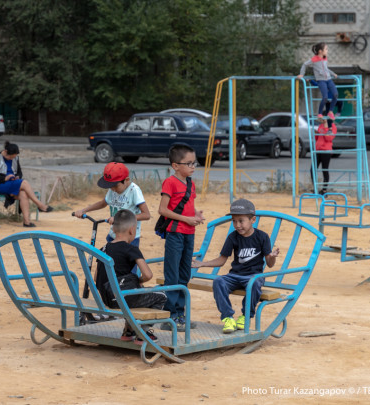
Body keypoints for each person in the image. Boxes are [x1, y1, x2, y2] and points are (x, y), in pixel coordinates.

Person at [191, 198, 280, 334]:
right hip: (235, 276)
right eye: (234, 221)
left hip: (253, 276)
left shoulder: (262, 237)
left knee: (255, 283)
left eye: (241, 221)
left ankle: (245, 316)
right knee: (219, 281)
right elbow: (222, 260)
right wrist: (203, 264)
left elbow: (270, 264)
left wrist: (272, 257)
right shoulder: (233, 237)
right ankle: (228, 318)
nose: (237, 225)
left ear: (253, 219)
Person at [96, 209, 166, 344]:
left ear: (114, 229)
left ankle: (128, 331)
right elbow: (148, 275)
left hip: (107, 299)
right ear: (132, 230)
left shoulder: (104, 249)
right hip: (122, 299)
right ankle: (142, 332)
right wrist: (138, 281)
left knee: (131, 293)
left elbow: (96, 278)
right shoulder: (131, 249)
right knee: (162, 295)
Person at [158, 144, 205, 329]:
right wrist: (186, 218)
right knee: (172, 274)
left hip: (189, 234)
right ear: (175, 166)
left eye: (194, 163)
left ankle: (180, 314)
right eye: (189, 163)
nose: (193, 167)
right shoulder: (170, 182)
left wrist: (196, 214)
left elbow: (188, 204)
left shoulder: (190, 183)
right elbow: (163, 210)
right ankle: (170, 317)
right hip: (175, 233)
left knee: (184, 273)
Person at [73, 162, 150, 248]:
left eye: (115, 186)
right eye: (110, 186)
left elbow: (146, 215)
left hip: (128, 238)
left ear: (126, 180)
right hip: (113, 235)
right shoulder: (113, 189)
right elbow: (102, 203)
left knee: (125, 257)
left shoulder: (134, 191)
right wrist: (84, 210)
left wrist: (120, 219)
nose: (113, 189)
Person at [0, 141, 52, 227]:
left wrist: (17, 177)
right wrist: (4, 178)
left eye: (13, 157)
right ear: (5, 152)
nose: (11, 159)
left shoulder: (15, 158)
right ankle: (40, 205)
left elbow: (19, 172)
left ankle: (26, 222)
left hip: (12, 183)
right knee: (24, 182)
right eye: (10, 157)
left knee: (23, 194)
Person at [298, 42, 339, 119]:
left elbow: (326, 69)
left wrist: (333, 73)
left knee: (335, 94)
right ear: (320, 51)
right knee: (325, 97)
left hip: (329, 79)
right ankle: (319, 113)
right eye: (326, 49)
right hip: (321, 80)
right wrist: (302, 74)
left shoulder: (325, 58)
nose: (327, 51)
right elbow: (305, 64)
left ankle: (330, 112)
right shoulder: (314, 59)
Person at [312, 117, 336, 195]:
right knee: (312, 169)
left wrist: (326, 128)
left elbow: (328, 138)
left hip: (326, 150)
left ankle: (324, 190)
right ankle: (315, 188)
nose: (322, 120)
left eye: (324, 118)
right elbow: (318, 138)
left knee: (324, 169)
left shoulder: (332, 126)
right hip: (318, 150)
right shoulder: (320, 125)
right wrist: (316, 133)